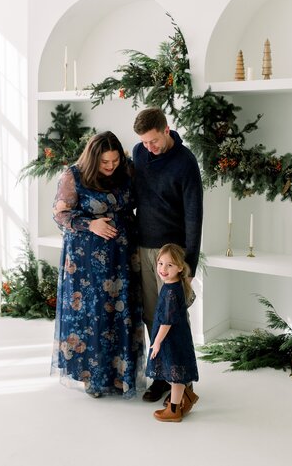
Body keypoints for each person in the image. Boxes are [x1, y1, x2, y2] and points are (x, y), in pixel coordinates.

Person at [51, 131, 145, 398]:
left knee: (120, 314)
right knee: (94, 317)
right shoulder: (74, 176)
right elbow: (60, 214)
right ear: (93, 159)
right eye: (105, 162)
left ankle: (119, 376)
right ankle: (92, 376)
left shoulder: (126, 170)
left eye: (115, 160)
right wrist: (90, 224)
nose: (110, 166)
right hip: (87, 262)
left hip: (123, 257)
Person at [133, 107, 203, 402]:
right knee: (152, 315)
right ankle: (162, 376)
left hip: (172, 255)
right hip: (144, 248)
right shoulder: (138, 153)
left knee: (174, 317)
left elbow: (194, 216)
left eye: (153, 141)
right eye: (144, 142)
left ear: (166, 129)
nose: (149, 147)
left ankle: (183, 381)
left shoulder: (185, 163)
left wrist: (190, 264)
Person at [146, 243, 199, 422]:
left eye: (170, 265)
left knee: (175, 375)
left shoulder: (171, 292)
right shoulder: (172, 285)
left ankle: (174, 410)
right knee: (174, 372)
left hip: (172, 338)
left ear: (180, 267)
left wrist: (158, 341)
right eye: (161, 263)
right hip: (176, 337)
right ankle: (187, 399)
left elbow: (167, 321)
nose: (163, 269)